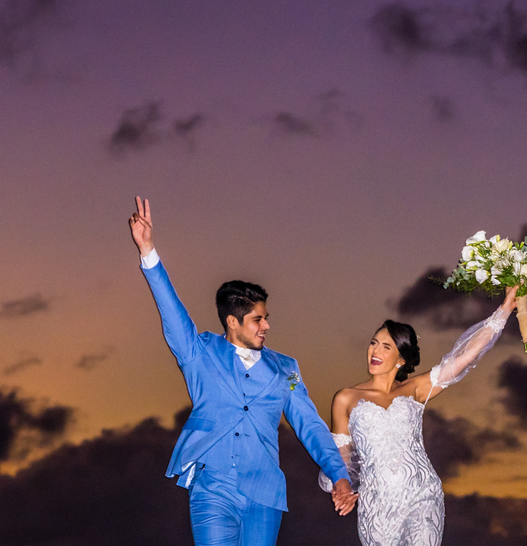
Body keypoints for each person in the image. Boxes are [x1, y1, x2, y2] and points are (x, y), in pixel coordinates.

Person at [128, 197, 356, 546]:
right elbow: (172, 312)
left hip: (264, 494)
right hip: (212, 488)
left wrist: (339, 476)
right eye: (257, 319)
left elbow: (309, 424)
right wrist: (148, 252)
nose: (266, 326)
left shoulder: (287, 369)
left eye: (266, 318)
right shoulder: (199, 352)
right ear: (232, 321)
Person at [322, 287, 517, 546]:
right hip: (377, 505)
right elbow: (339, 455)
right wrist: (342, 487)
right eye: (373, 343)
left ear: (400, 359)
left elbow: (464, 357)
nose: (375, 351)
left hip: (422, 495)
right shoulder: (345, 398)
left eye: (385, 346)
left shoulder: (416, 388)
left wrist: (504, 310)